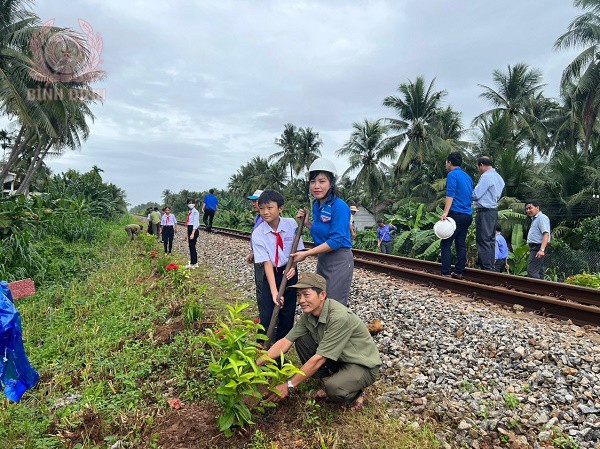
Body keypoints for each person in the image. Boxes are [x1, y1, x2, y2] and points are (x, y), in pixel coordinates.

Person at [258, 273, 381, 411]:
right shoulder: (309, 316)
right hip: (340, 358)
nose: (301, 300)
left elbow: (319, 359)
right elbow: (285, 342)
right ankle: (328, 380)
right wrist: (256, 363)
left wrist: (289, 385)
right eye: (299, 295)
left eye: (306, 294)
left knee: (334, 389)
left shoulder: (339, 317)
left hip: (361, 364)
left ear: (322, 295)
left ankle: (355, 394)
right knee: (302, 340)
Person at [292, 158, 354, 306]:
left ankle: (338, 329)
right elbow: (322, 231)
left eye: (322, 181)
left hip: (339, 260)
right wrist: (307, 223)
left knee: (334, 304)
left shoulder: (339, 206)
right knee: (321, 301)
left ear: (331, 183)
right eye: (313, 181)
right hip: (323, 259)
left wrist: (306, 253)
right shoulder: (317, 206)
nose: (316, 186)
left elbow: (336, 240)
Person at [251, 190, 304, 342]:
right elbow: (267, 263)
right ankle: (261, 349)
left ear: (280, 208)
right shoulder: (258, 233)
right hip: (271, 274)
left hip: (290, 273)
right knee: (267, 315)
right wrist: (274, 292)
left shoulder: (291, 224)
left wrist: (293, 266)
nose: (265, 212)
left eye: (269, 207)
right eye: (261, 208)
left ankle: (279, 354)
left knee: (287, 316)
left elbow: (297, 250)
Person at [441, 152, 473, 279]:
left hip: (456, 214)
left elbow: (450, 194)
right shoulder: (468, 177)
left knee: (446, 243)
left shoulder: (452, 175)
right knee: (460, 243)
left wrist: (445, 212)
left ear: (449, 162)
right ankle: (459, 271)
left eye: (446, 162)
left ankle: (446, 272)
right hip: (468, 215)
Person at [472, 156, 505, 270]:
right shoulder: (499, 177)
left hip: (484, 211)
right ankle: (490, 266)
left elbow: (476, 195)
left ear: (481, 165)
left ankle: (486, 268)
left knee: (483, 239)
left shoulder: (486, 176)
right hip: (493, 211)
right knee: (491, 239)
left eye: (478, 167)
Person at [245, 189, 265, 314]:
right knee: (260, 286)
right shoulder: (259, 217)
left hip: (263, 259)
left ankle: (265, 316)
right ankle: (263, 313)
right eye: (253, 201)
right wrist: (253, 252)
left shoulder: (266, 218)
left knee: (262, 287)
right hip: (257, 256)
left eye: (256, 201)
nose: (253, 204)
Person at [525, 201, 551, 279]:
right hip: (535, 247)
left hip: (538, 247)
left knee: (531, 271)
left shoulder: (542, 218)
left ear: (537, 208)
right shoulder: (535, 219)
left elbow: (546, 234)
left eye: (530, 208)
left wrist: (542, 250)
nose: (528, 211)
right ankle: (542, 289)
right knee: (539, 271)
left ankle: (534, 290)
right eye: (526, 209)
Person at [184, 198, 200, 268]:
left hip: (194, 229)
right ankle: (193, 262)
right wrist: (186, 233)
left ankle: (194, 263)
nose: (191, 204)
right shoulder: (190, 212)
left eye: (192, 202)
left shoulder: (195, 212)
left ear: (194, 204)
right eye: (189, 202)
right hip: (190, 228)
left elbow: (196, 223)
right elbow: (188, 223)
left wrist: (193, 233)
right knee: (191, 246)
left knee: (192, 246)